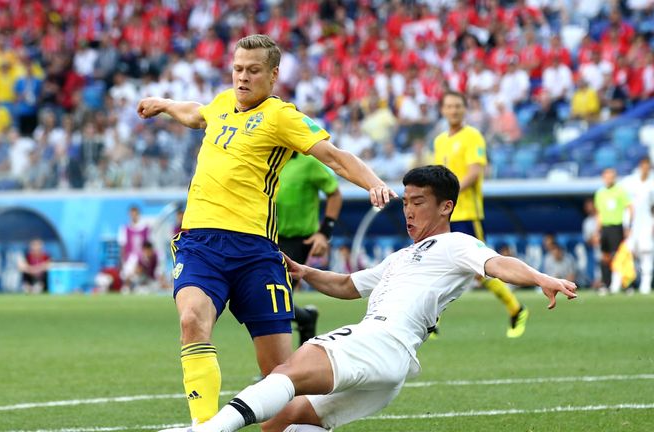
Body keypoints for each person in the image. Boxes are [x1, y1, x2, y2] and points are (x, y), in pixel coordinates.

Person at [158, 165, 578, 432]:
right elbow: (346, 285)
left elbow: (497, 265)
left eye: (418, 203)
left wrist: (542, 278)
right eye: (406, 202)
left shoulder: (457, 245)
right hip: (388, 369)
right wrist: (305, 272)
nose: (408, 211)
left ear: (446, 206)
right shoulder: (402, 257)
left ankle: (206, 430)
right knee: (287, 418)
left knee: (291, 368)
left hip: (383, 342)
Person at [137, 34, 396, 426]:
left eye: (253, 71)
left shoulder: (281, 116)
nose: (243, 77)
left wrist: (373, 182)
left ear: (273, 75)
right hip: (199, 243)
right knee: (192, 321)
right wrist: (164, 105)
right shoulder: (223, 102)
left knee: (280, 373)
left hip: (255, 252)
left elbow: (335, 157)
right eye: (238, 69)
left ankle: (307, 424)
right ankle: (205, 426)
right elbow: (196, 113)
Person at [433, 91, 529, 338]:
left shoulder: (473, 136)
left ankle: (516, 308)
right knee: (439, 265)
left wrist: (449, 194)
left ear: (464, 110)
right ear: (442, 110)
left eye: (458, 106)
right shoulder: (439, 141)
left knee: (481, 269)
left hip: (467, 213)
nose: (453, 110)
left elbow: (475, 171)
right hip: (445, 215)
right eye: (449, 106)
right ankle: (430, 320)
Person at [276, 152, 343, 346]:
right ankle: (305, 318)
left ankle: (277, 368)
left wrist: (324, 232)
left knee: (274, 298)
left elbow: (334, 193)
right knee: (263, 298)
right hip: (266, 236)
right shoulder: (263, 157)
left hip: (297, 240)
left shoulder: (309, 163)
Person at [594, 167, 632, 295]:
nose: (608, 179)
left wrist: (628, 226)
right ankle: (606, 283)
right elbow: (599, 213)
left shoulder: (620, 191)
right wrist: (597, 231)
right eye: (606, 177)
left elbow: (630, 208)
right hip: (605, 227)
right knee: (605, 256)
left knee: (619, 256)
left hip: (617, 226)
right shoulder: (600, 193)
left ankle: (624, 284)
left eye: (611, 177)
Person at [621, 157, 653, 294]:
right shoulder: (630, 182)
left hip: (646, 224)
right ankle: (627, 283)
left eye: (648, 166)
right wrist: (626, 225)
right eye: (643, 166)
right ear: (640, 166)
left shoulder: (652, 183)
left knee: (646, 252)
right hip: (633, 225)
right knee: (628, 253)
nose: (645, 168)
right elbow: (627, 206)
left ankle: (645, 284)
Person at [117, 205, 152, 293]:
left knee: (140, 272)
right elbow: (122, 246)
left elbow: (149, 245)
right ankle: (128, 286)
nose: (133, 216)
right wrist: (122, 261)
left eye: (135, 214)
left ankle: (141, 285)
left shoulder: (145, 228)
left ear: (138, 214)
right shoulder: (125, 228)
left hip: (142, 257)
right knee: (128, 272)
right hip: (130, 257)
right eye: (131, 214)